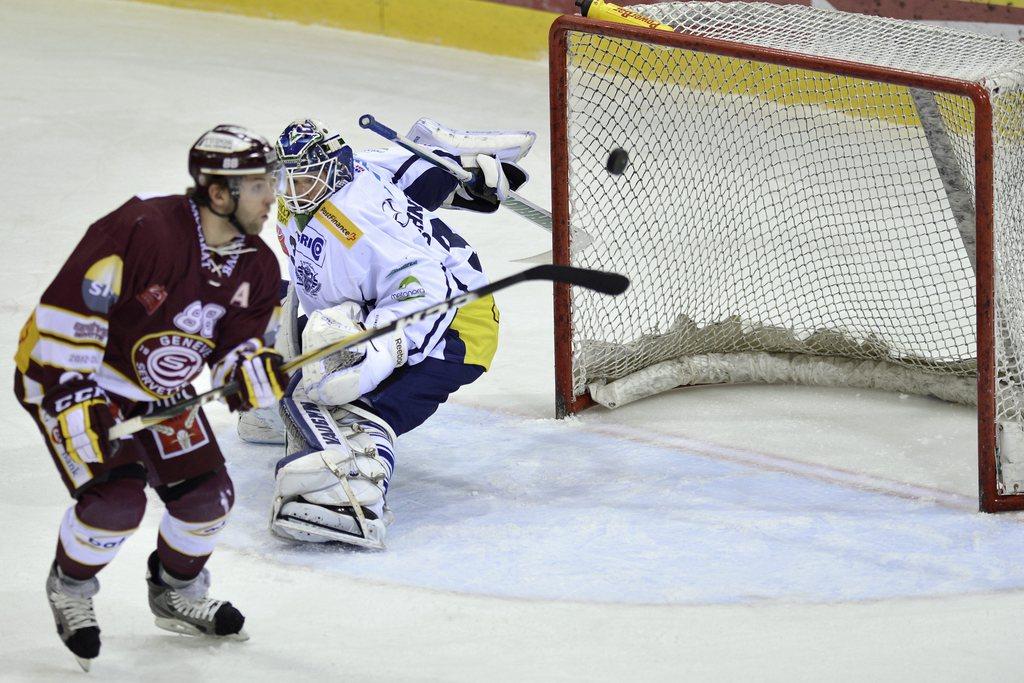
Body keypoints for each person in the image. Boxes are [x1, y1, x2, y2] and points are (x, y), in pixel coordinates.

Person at [14, 125, 290, 670]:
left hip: (157, 390)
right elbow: (71, 312)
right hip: (75, 375)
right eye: (259, 186)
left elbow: (241, 340)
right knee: (116, 504)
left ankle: (174, 592)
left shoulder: (258, 265)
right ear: (218, 193)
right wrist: (71, 399)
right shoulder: (143, 228)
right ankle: (71, 585)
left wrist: (249, 368)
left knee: (208, 500)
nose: (271, 197)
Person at [260, 117, 534, 549]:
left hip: (453, 322)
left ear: (331, 171)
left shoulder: (360, 224)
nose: (294, 188)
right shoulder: (351, 168)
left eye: (307, 177)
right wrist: (467, 176)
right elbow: (416, 165)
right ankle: (273, 400)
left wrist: (369, 360)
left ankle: (352, 496)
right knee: (259, 308)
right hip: (380, 300)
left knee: (355, 403)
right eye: (287, 177)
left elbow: (425, 296)